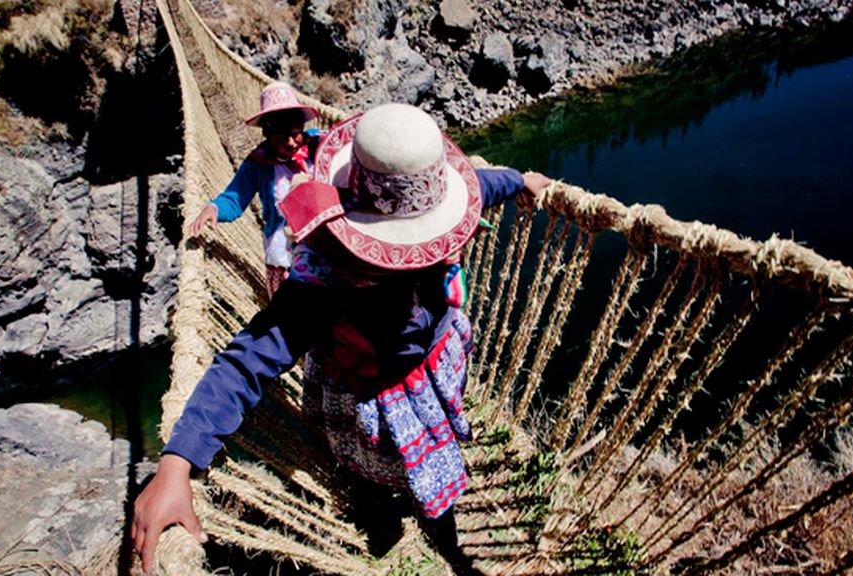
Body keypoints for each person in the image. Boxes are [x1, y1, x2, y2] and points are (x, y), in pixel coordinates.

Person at [133, 103, 553, 573]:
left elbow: (483, 185)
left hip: (429, 363)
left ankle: (438, 530)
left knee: (427, 465)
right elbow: (246, 359)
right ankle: (409, 521)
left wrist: (520, 180)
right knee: (386, 465)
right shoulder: (326, 280)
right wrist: (177, 462)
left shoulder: (433, 195)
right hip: (375, 387)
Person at [187, 81, 324, 296]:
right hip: (284, 258)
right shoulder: (258, 164)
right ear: (267, 134)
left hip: (325, 250)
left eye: (295, 133)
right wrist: (214, 208)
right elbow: (235, 197)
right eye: (281, 137)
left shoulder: (320, 145)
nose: (290, 142)